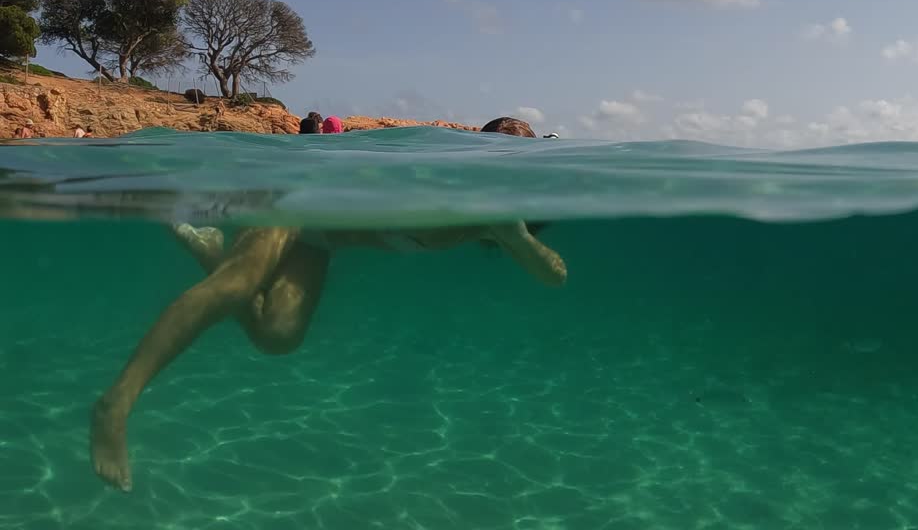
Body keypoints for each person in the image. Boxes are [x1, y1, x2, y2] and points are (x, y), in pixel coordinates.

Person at [89, 117, 566, 492]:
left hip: (319, 240)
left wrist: (516, 238)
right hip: (292, 201)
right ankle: (115, 404)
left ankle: (209, 249)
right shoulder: (439, 183)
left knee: (277, 337)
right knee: (235, 287)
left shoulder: (497, 227)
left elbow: (554, 276)